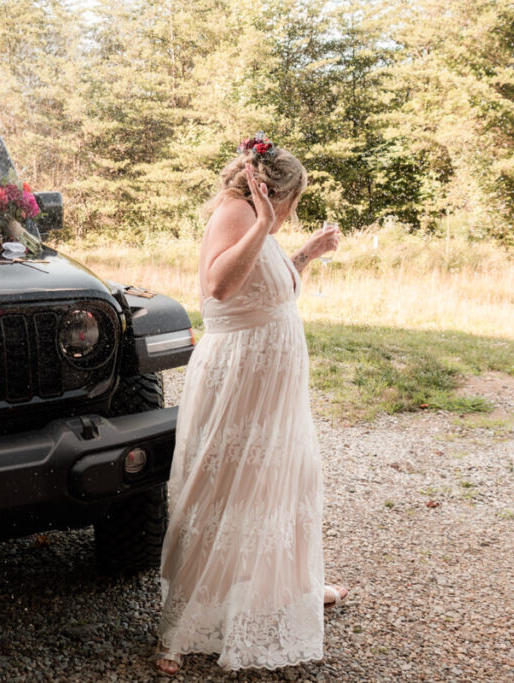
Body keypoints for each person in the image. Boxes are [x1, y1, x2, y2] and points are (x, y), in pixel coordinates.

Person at [154, 133, 347, 675]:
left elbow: (268, 288)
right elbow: (219, 285)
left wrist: (306, 252)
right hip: (237, 379)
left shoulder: (260, 223)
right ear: (273, 193)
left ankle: (293, 592)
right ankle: (181, 630)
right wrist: (265, 223)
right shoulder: (238, 214)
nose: (290, 213)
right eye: (292, 203)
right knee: (222, 487)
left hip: (275, 390)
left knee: (277, 485)